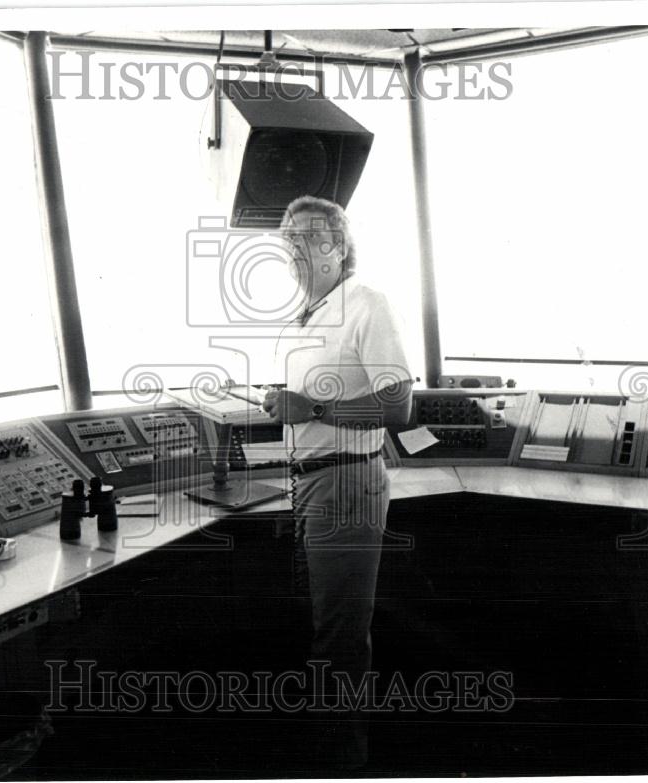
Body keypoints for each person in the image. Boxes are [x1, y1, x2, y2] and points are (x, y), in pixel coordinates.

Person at [263, 195, 413, 769]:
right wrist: (287, 404)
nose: (296, 248)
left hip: (347, 485)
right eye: (289, 239)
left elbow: (398, 406)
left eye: (309, 236)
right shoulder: (304, 316)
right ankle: (328, 751)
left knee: (339, 639)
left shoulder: (366, 304)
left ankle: (343, 766)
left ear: (340, 247)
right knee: (320, 625)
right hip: (309, 483)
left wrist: (314, 411)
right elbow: (310, 403)